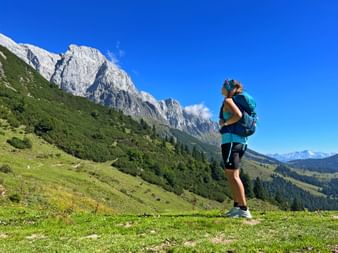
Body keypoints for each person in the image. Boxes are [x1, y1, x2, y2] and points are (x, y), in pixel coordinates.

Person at [219, 79, 252, 219]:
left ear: (228, 88)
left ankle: (244, 209)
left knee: (233, 175)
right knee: (232, 174)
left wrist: (225, 123)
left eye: (223, 86)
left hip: (231, 142)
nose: (221, 88)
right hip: (240, 142)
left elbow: (238, 116)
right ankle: (237, 207)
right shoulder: (235, 101)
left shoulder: (228, 101)